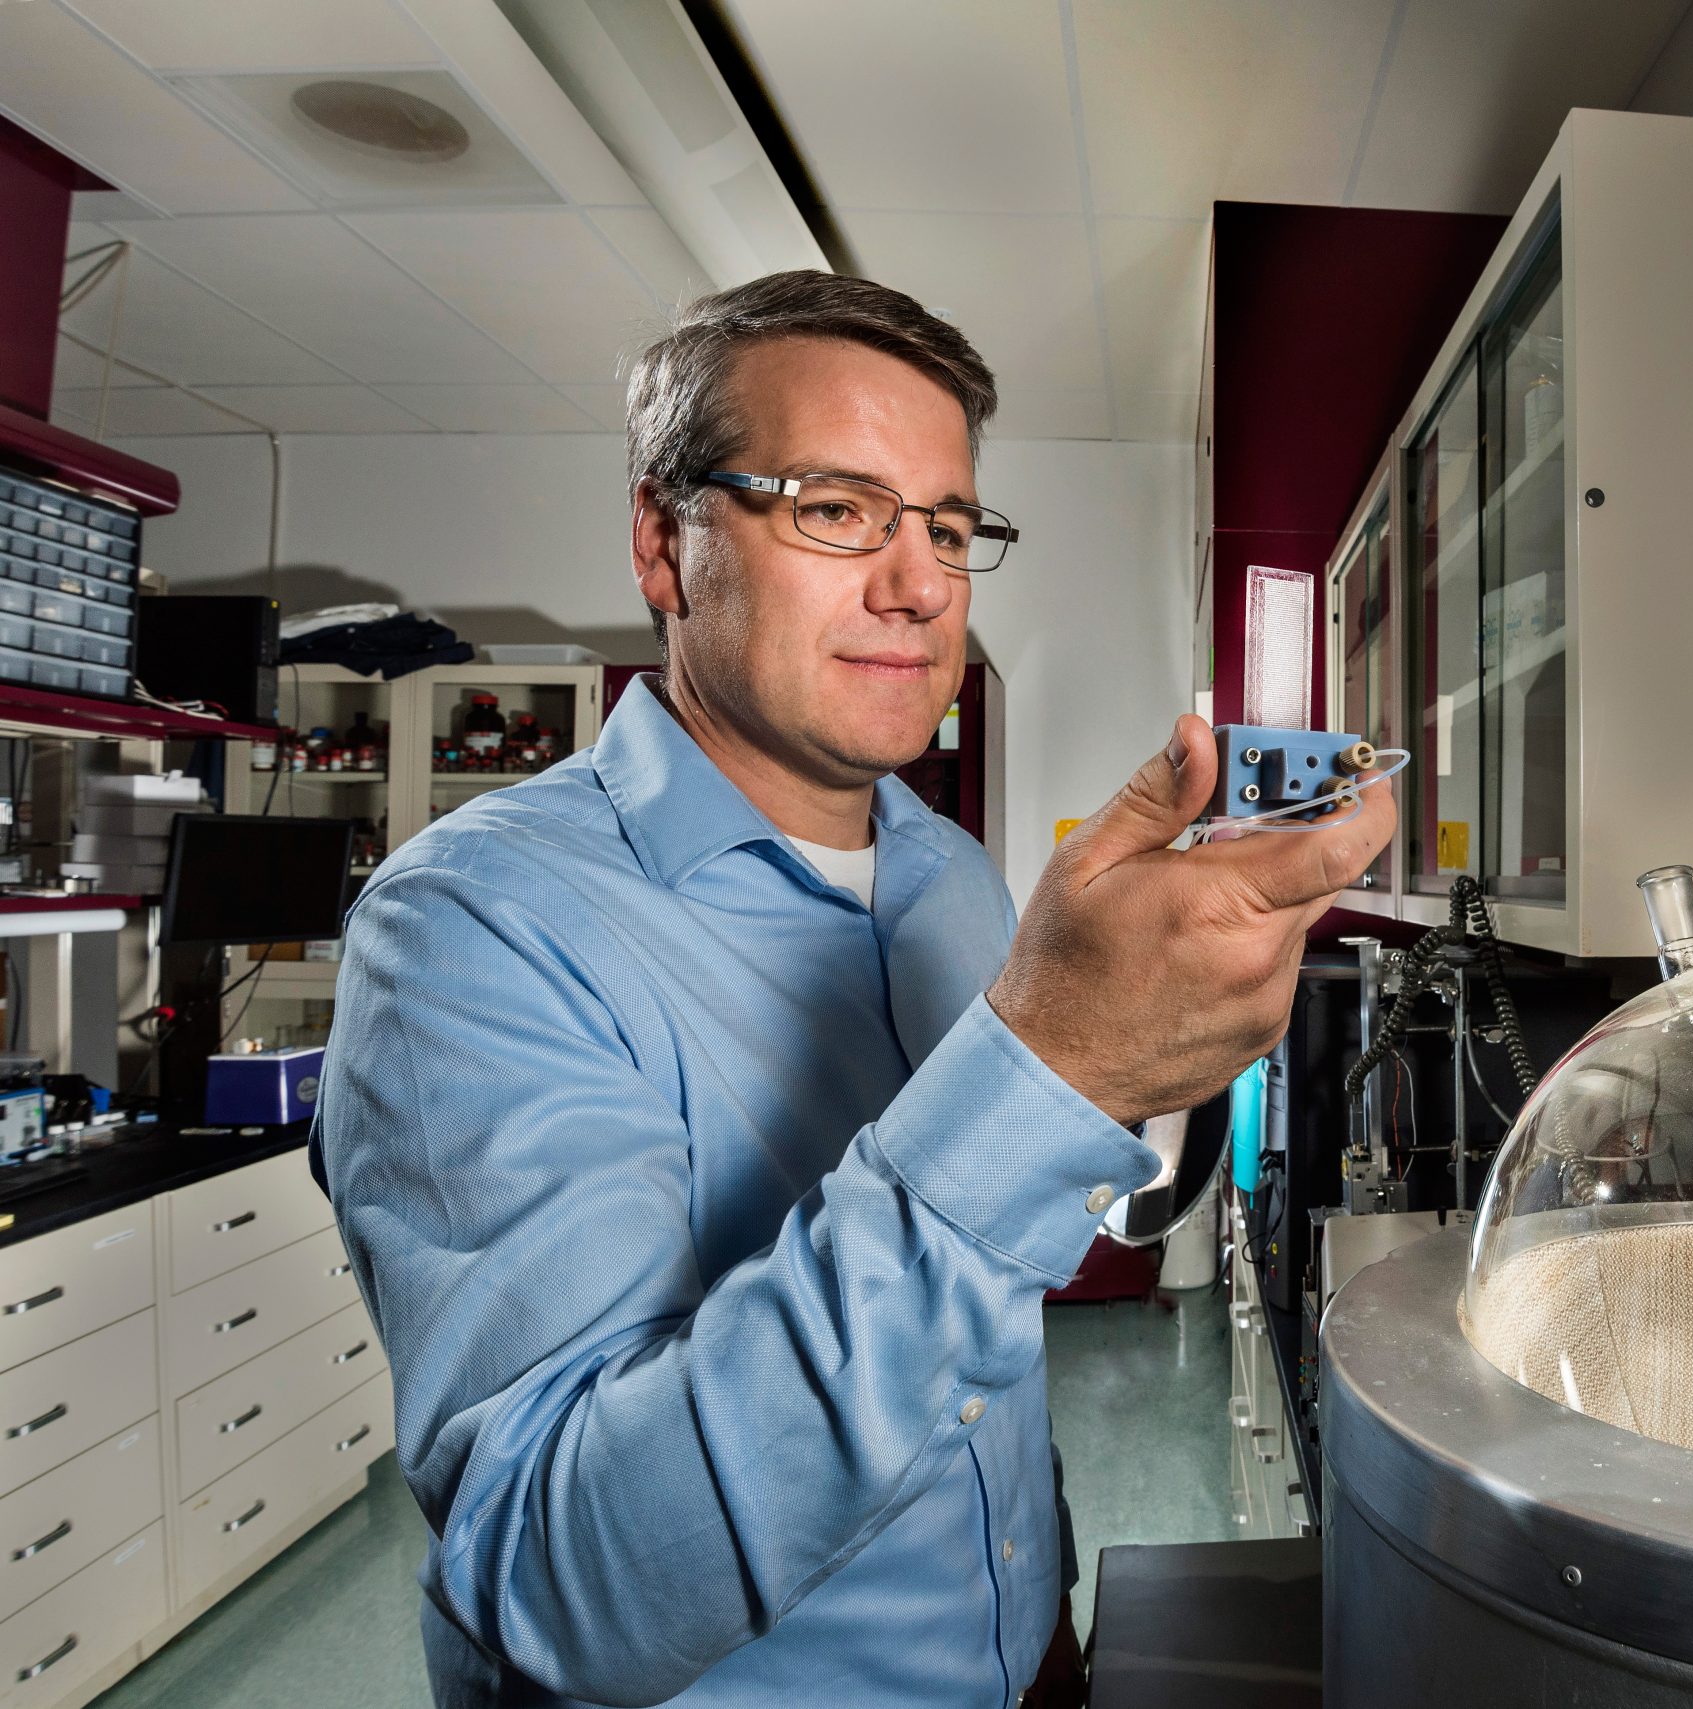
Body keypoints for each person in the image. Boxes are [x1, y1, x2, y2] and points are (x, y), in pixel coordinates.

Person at [314, 270, 1394, 1709]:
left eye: (949, 527)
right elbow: (560, 1577)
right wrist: (1053, 1068)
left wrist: (1039, 1611)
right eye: (834, 508)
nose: (920, 582)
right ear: (662, 539)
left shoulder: (948, 872)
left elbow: (973, 1344)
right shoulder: (472, 930)